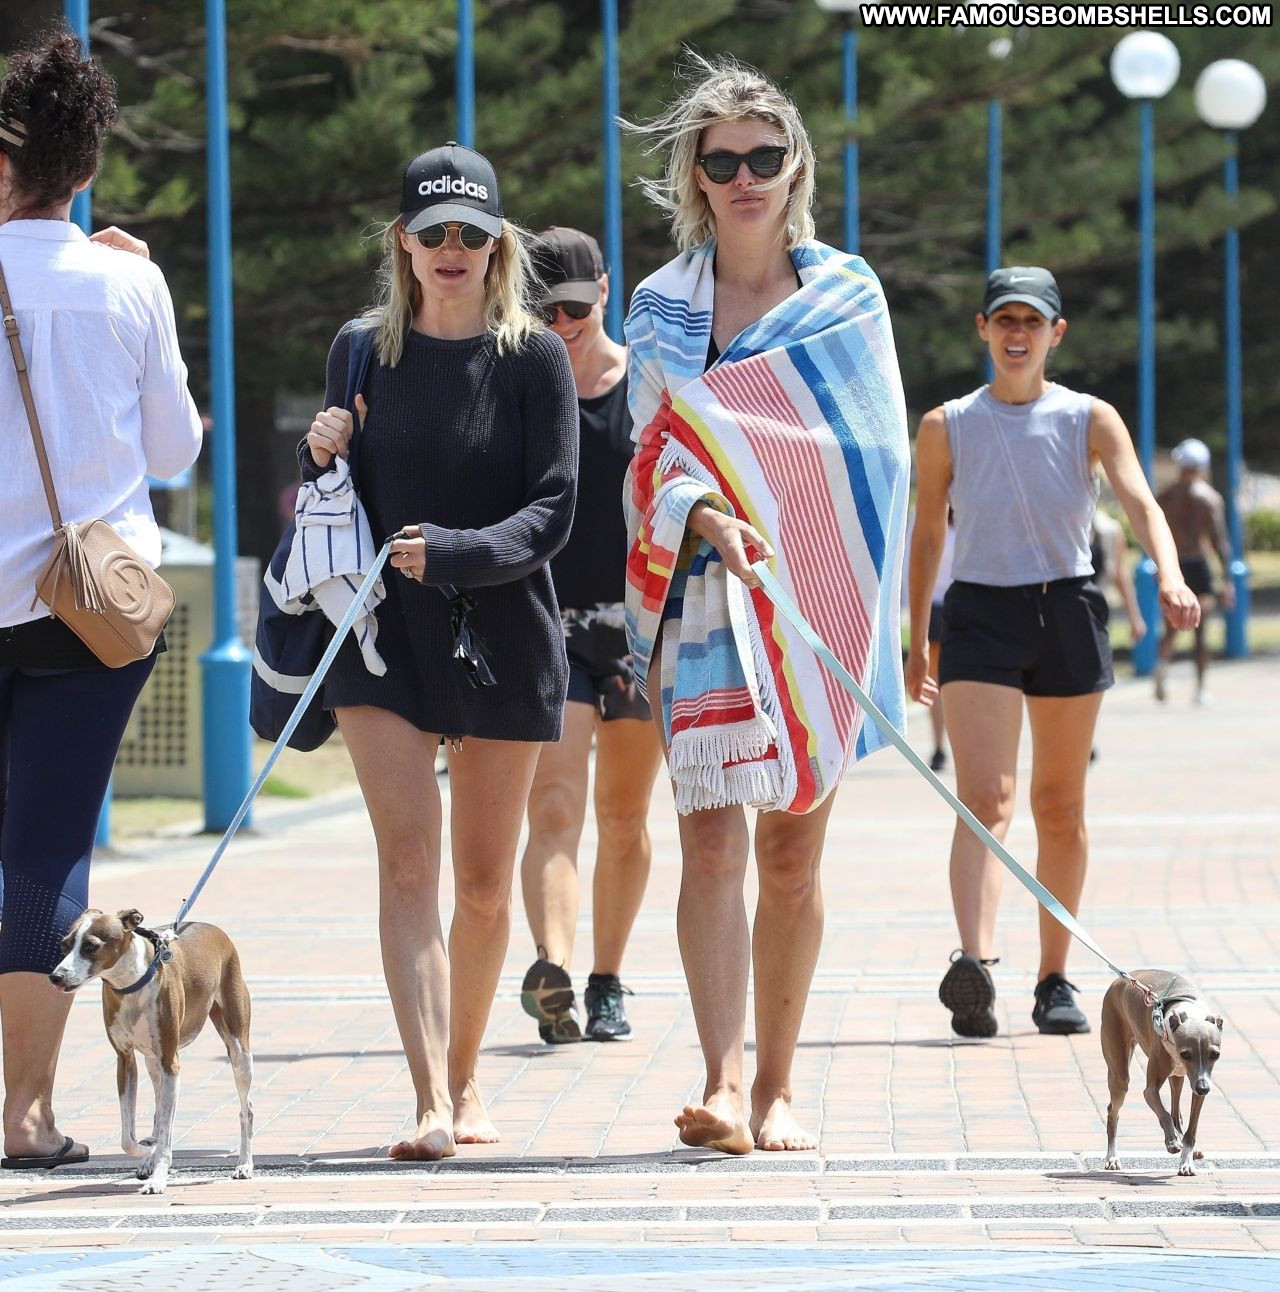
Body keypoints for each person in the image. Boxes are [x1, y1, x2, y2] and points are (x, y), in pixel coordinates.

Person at [623, 56, 911, 1154]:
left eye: (763, 156)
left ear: (796, 167)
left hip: (813, 593)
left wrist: (781, 522)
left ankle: (779, 1085)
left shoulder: (846, 296)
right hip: (699, 592)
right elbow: (648, 456)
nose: (744, 176)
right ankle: (722, 1079)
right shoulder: (659, 308)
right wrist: (704, 510)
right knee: (708, 845)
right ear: (694, 179)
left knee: (790, 853)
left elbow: (874, 456)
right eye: (721, 161)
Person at [301, 142, 577, 1159]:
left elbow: (553, 508)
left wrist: (456, 551)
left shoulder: (534, 358)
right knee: (408, 859)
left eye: (471, 232)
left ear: (497, 245)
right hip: (381, 635)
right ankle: (427, 1097)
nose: (451, 248)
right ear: (403, 244)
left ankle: (466, 1079)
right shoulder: (359, 350)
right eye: (433, 232)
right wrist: (317, 454)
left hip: (502, 628)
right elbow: (333, 497)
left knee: (483, 882)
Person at [0, 28, 202, 1169]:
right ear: (85, 170)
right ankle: (26, 1114)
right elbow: (172, 451)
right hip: (89, 615)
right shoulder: (130, 282)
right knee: (45, 846)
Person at [907, 267, 1200, 1041]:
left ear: (1055, 334)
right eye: (1004, 319)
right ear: (982, 329)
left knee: (1060, 805)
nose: (1017, 334)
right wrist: (917, 640)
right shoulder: (946, 425)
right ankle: (975, 966)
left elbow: (1139, 500)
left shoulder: (1088, 417)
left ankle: (1054, 977)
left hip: (1067, 608)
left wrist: (1170, 575)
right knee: (985, 799)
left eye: (1031, 322)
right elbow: (928, 536)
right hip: (979, 614)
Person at [517, 228, 664, 1045]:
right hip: (549, 626)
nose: (562, 325)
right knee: (555, 804)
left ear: (605, 292)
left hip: (636, 629)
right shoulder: (518, 385)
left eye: (575, 307)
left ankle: (607, 977)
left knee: (625, 815)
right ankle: (556, 973)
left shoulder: (646, 385)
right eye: (544, 312)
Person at [1155, 438, 1234, 706]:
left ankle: (1162, 664)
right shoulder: (1209, 498)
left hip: (1174, 563)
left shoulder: (1165, 497)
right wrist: (1227, 580)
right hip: (1199, 564)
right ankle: (1200, 688)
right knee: (1200, 629)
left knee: (1170, 627)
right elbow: (1220, 541)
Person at [904, 510, 956, 772]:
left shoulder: (927, 517)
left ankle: (941, 747)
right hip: (942, 609)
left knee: (942, 681)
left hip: (954, 608)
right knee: (938, 681)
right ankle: (940, 745)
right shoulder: (930, 517)